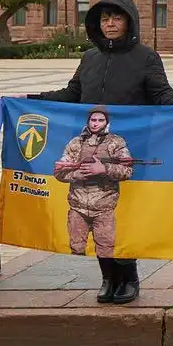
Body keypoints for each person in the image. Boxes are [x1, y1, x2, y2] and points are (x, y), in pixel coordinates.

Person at [30, 0, 173, 306]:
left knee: (119, 218)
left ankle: (128, 277)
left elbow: (161, 93)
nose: (109, 23)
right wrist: (31, 98)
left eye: (116, 18)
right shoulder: (90, 58)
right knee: (93, 213)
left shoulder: (146, 57)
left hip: (124, 151)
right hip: (90, 151)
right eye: (104, 18)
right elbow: (72, 94)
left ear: (128, 22)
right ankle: (108, 277)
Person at [54, 107, 132, 258]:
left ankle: (107, 280)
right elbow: (59, 172)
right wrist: (78, 174)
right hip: (78, 207)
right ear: (88, 121)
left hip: (104, 208)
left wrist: (104, 169)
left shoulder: (116, 142)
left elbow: (127, 171)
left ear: (107, 122)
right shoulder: (76, 143)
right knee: (76, 251)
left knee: (105, 252)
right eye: (93, 120)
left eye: (100, 120)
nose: (96, 124)